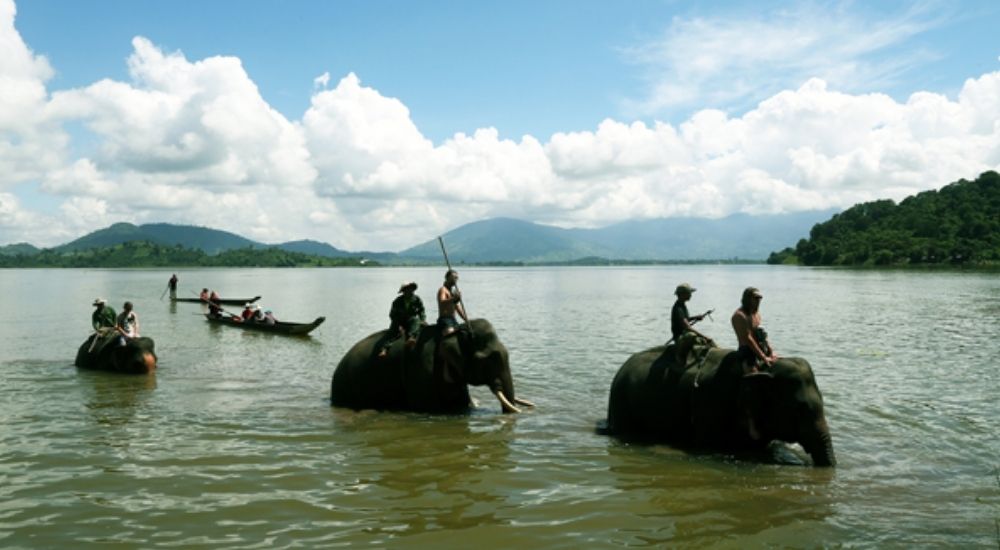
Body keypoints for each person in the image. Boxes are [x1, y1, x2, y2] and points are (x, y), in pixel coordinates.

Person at [731, 287, 777, 374]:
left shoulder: (756, 314)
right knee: (754, 377)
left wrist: (771, 351)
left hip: (761, 347)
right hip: (747, 350)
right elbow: (748, 339)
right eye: (756, 298)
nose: (758, 300)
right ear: (747, 299)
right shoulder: (739, 316)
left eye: (760, 298)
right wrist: (763, 357)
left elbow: (763, 335)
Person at [378, 281, 426, 358]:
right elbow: (392, 315)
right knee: (392, 333)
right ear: (403, 291)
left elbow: (421, 310)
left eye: (411, 289)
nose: (410, 291)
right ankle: (384, 349)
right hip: (399, 320)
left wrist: (423, 319)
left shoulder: (417, 299)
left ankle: (411, 338)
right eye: (407, 289)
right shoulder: (397, 301)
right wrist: (398, 325)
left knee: (415, 320)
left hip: (411, 320)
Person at [670, 283, 714, 364]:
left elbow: (684, 319)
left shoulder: (682, 305)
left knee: (705, 341)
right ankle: (679, 355)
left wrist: (695, 317)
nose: (691, 295)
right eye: (689, 293)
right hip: (680, 337)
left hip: (684, 334)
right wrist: (705, 336)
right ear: (683, 294)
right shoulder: (677, 308)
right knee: (692, 335)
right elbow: (688, 327)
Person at [436, 269, 468, 337]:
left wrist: (465, 319)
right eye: (453, 277)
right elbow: (442, 302)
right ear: (447, 278)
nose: (455, 280)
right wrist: (454, 299)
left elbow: (457, 307)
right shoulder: (443, 290)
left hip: (453, 319)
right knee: (450, 333)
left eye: (456, 278)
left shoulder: (452, 292)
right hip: (445, 320)